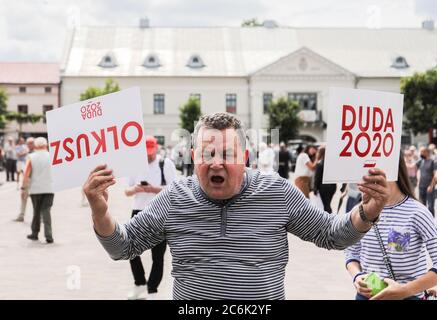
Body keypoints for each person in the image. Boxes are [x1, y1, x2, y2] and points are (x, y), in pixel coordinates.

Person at [84, 112, 389, 300]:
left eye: (227, 154)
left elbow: (332, 235)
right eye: (207, 153)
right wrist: (99, 209)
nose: (216, 162)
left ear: (245, 158)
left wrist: (367, 211)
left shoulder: (276, 192)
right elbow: (122, 247)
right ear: (193, 157)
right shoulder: (174, 198)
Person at [345, 152, 437, 300]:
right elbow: (352, 253)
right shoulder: (359, 211)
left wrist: (405, 290)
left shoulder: (417, 212)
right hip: (366, 296)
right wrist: (357, 276)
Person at [124, 136, 177, 300]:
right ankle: (139, 283)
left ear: (156, 149)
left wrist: (152, 189)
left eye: (151, 152)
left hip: (159, 212)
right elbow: (126, 191)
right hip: (138, 210)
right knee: (130, 250)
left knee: (158, 255)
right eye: (146, 153)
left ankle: (152, 289)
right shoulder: (134, 164)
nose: (149, 156)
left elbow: (174, 190)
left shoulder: (165, 164)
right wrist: (137, 188)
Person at [21, 137, 55, 243]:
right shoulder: (52, 156)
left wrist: (23, 188)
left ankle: (34, 233)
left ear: (35, 145)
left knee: (36, 211)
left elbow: (26, 173)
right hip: (49, 188)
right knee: (46, 211)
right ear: (46, 145)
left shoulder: (31, 157)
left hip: (35, 189)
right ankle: (49, 236)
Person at [14, 137, 35, 222]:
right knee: (23, 197)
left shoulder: (33, 154)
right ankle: (21, 215)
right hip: (28, 179)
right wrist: (23, 185)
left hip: (34, 180)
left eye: (31, 143)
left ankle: (38, 216)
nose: (29, 145)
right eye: (28, 143)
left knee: (35, 199)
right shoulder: (28, 154)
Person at [313, 147, 336, 213]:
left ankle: (330, 219)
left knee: (326, 206)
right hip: (332, 186)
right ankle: (330, 218)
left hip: (323, 187)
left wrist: (315, 188)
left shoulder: (320, 163)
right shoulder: (332, 163)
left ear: (320, 153)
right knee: (328, 204)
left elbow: (317, 177)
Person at [416, 147, 437, 216]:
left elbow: (435, 175)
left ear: (427, 152)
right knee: (422, 206)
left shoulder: (433, 161)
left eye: (422, 152)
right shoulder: (421, 161)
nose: (421, 153)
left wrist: (431, 186)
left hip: (429, 187)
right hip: (421, 186)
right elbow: (413, 167)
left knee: (430, 206)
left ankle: (432, 223)